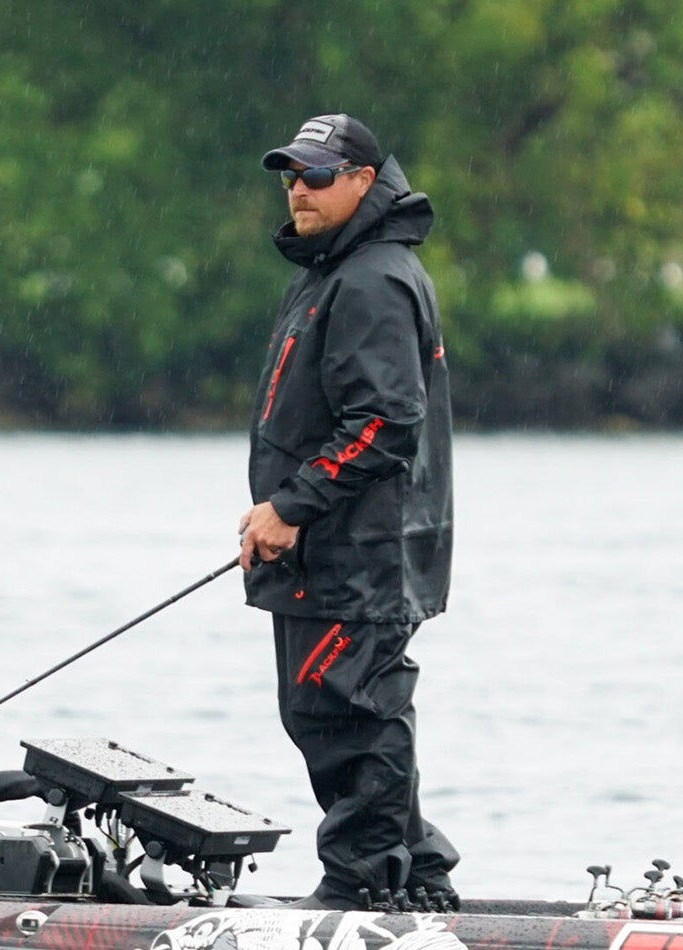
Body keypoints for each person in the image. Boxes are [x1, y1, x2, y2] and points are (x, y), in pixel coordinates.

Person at [236, 113, 458, 911]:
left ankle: (364, 883)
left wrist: (291, 505)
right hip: (326, 548)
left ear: (365, 180)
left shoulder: (370, 278)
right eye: (291, 174)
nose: (298, 188)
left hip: (360, 550)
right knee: (326, 709)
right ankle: (416, 874)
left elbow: (384, 422)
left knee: (348, 710)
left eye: (317, 175)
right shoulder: (333, 269)